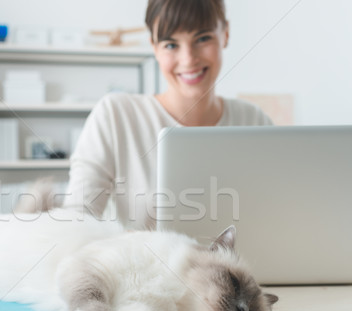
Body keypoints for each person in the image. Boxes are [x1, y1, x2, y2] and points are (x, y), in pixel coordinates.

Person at [62, 0, 272, 230]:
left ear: (226, 34)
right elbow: (76, 222)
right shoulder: (116, 116)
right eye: (171, 45)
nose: (188, 59)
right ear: (154, 46)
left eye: (202, 39)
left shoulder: (253, 120)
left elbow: (279, 211)